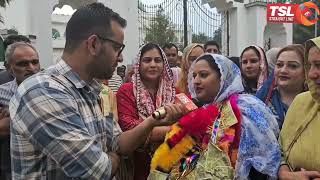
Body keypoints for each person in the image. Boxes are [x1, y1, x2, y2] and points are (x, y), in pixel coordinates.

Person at [9, 3, 185, 179]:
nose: (121, 57)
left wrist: (151, 122)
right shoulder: (43, 92)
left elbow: (118, 142)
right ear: (93, 44)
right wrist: (113, 157)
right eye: (117, 48)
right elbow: (98, 172)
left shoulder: (97, 91)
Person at [150, 54, 280, 179]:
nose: (196, 81)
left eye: (203, 75)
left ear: (222, 77)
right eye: (194, 76)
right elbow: (184, 162)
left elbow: (262, 159)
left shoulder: (246, 107)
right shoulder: (199, 113)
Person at [117, 43, 176, 180]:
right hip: (137, 165)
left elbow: (188, 122)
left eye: (158, 60)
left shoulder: (173, 92)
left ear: (164, 64)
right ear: (139, 64)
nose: (153, 64)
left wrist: (148, 130)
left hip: (170, 166)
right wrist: (173, 129)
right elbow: (128, 128)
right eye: (147, 60)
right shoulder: (126, 91)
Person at [278, 37, 320, 180]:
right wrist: (284, 174)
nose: (312, 74)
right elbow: (280, 151)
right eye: (310, 66)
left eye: (319, 65)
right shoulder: (301, 102)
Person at [0, 42, 40, 180]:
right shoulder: (2, 93)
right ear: (8, 68)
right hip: (14, 166)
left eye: (35, 62)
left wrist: (15, 110)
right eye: (22, 64)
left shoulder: (53, 89)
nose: (31, 68)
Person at [256, 44, 306, 130]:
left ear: (306, 71)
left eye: (293, 66)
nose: (283, 70)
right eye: (279, 65)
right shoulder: (262, 102)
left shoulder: (314, 104)